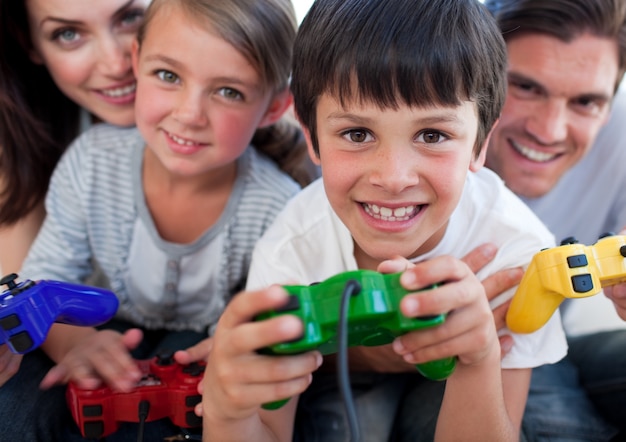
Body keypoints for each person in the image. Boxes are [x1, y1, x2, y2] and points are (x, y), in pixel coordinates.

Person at [199, 0, 568, 440]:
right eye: (357, 134)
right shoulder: (291, 248)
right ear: (311, 135)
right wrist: (227, 413)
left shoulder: (519, 251)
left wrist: (477, 359)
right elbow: (268, 430)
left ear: (479, 146)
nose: (393, 178)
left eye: (432, 135)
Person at [3, 0, 311, 440]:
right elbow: (45, 281)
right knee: (14, 410)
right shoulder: (90, 163)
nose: (189, 114)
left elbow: (268, 327)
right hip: (98, 332)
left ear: (273, 108)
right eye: (168, 76)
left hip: (202, 351)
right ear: (137, 63)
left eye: (228, 91)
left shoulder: (278, 205)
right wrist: (74, 341)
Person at [481, 0, 626, 440]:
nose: (549, 130)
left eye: (585, 103)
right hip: (429, 361)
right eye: (525, 87)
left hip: (547, 341)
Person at [0, 0, 150, 387]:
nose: (116, 63)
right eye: (68, 33)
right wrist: (72, 344)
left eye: (130, 17)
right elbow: (31, 284)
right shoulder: (20, 139)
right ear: (29, 41)